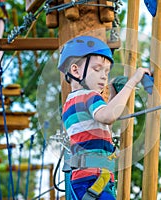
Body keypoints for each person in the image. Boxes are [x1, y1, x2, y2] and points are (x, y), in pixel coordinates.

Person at [58, 35, 151, 200]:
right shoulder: (90, 96)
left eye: (106, 72)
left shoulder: (69, 103)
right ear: (75, 70)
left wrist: (113, 93)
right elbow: (108, 117)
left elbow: (102, 128)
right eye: (97, 69)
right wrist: (133, 81)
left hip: (84, 180)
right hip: (93, 179)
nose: (103, 76)